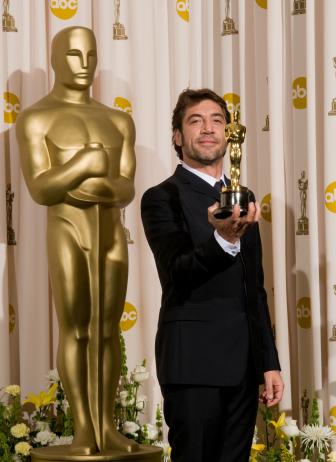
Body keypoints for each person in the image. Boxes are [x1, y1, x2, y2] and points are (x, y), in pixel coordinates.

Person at [141, 88, 284, 462]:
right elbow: (176, 273)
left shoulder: (244, 196)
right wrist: (221, 239)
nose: (208, 129)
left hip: (242, 366)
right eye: (195, 121)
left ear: (228, 134)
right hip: (193, 363)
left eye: (217, 120)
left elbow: (255, 289)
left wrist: (268, 361)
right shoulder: (162, 197)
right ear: (177, 136)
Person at [16, 27, 137, 455]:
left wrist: (96, 188)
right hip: (67, 231)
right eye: (73, 55)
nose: (84, 65)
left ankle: (108, 425)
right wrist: (86, 163)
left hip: (110, 236)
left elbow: (125, 188)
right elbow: (41, 189)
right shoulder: (35, 117)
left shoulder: (118, 120)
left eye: (90, 56)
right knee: (77, 330)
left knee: (107, 331)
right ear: (54, 58)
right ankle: (84, 427)